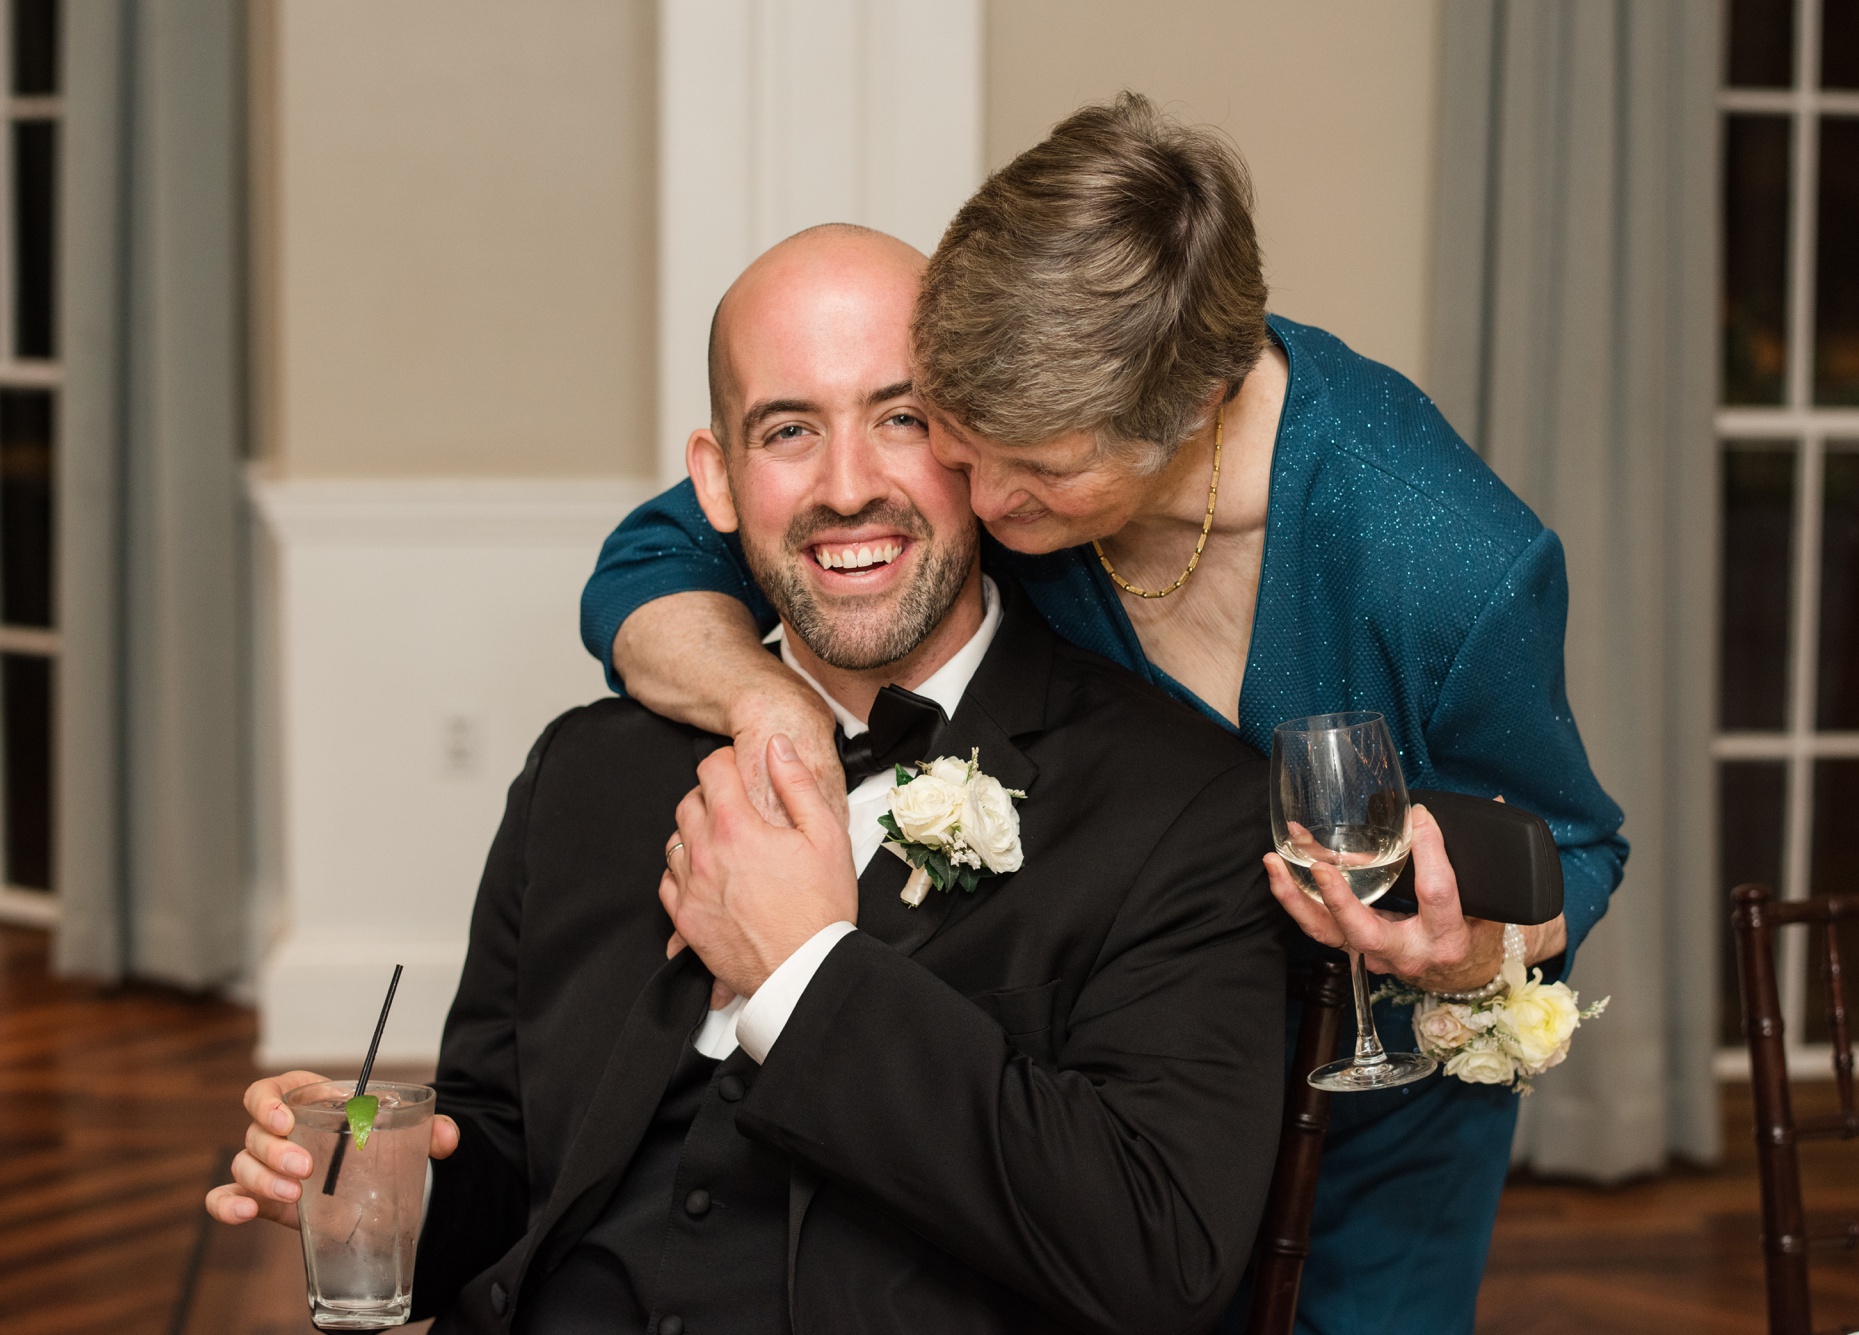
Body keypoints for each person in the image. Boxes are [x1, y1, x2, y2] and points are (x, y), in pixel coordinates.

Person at [579, 95, 1628, 1334]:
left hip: (1370, 1113)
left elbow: (1573, 849)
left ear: (1198, 409)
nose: (980, 496)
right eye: (961, 442)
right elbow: (654, 567)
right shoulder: (1009, 402)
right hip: (1106, 1081)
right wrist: (772, 706)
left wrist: (1466, 950)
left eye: (1044, 469)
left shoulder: (1446, 561)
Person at [207, 225, 1294, 1333]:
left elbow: (1159, 1259)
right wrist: (380, 1192)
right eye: (787, 431)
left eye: (902, 418)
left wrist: (802, 973)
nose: (847, 486)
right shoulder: (582, 773)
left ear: (979, 447)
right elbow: (503, 1163)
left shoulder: (1183, 812)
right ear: (717, 482)